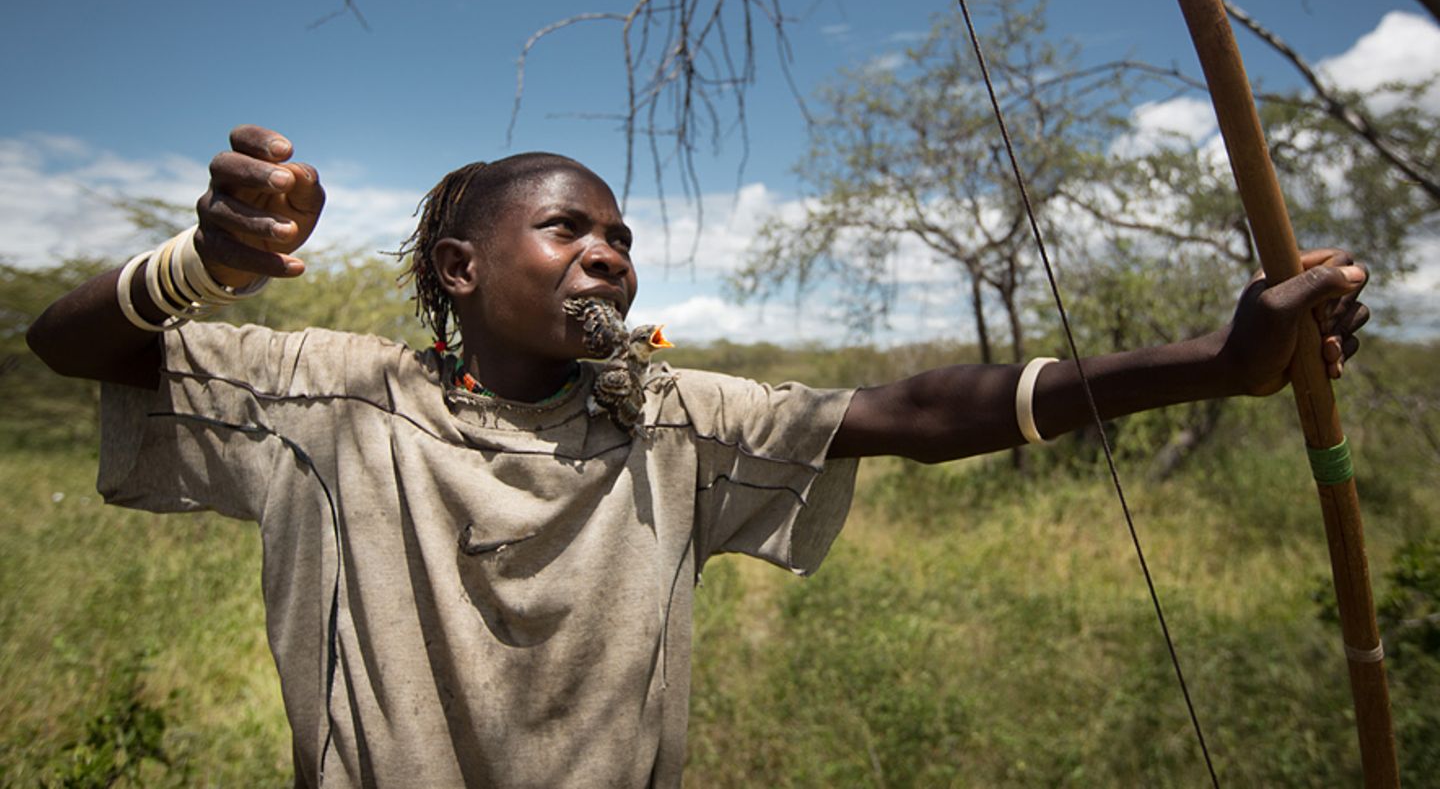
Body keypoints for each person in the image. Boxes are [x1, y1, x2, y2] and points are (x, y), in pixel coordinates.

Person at [27, 125, 1368, 789]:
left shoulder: (661, 418)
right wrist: (202, 264)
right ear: (458, 264)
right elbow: (66, 346)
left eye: (618, 236)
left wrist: (1208, 363)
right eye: (565, 229)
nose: (607, 252)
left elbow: (903, 413)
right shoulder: (331, 397)